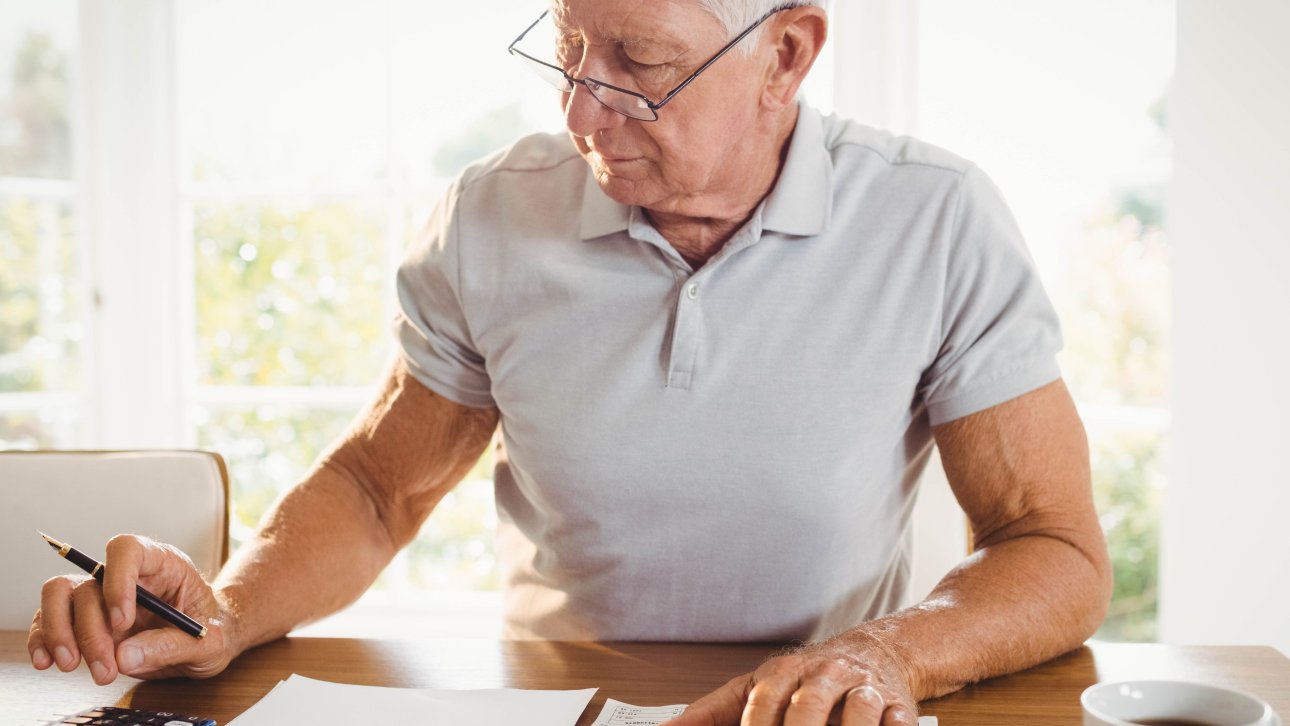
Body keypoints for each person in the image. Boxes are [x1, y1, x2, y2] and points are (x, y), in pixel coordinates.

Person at [26, 1, 1112, 724]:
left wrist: (889, 656)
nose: (582, 106)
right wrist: (223, 609)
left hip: (801, 715)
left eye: (640, 63)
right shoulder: (490, 215)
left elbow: (1053, 548)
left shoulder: (936, 218)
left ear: (786, 55)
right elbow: (375, 488)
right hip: (559, 702)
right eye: (568, 47)